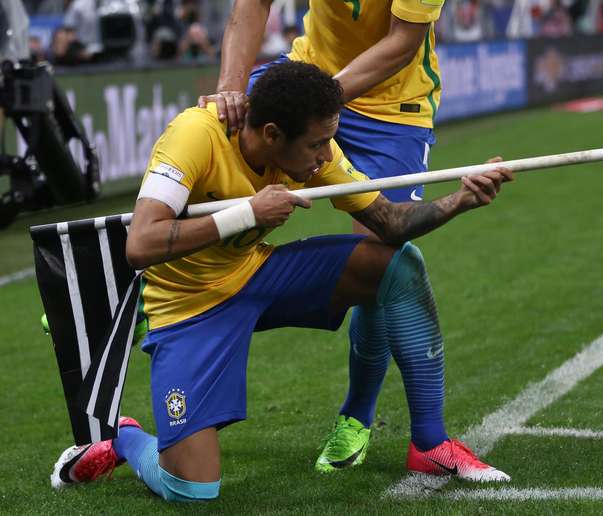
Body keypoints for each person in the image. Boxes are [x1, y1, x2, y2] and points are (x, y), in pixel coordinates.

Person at [50, 61, 512, 502]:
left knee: (399, 265)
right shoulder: (194, 134)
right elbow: (141, 243)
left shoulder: (314, 152)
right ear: (272, 134)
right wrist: (247, 214)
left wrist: (459, 201)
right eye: (317, 144)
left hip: (256, 273)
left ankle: (430, 444)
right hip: (188, 306)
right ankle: (124, 437)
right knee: (191, 490)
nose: (326, 155)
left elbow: (389, 222)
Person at [198, 0, 460, 474]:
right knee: (207, 134)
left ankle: (356, 416)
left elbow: (403, 41)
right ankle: (147, 294)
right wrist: (230, 93)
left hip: (392, 109)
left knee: (380, 260)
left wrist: (314, 109)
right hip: (311, 71)